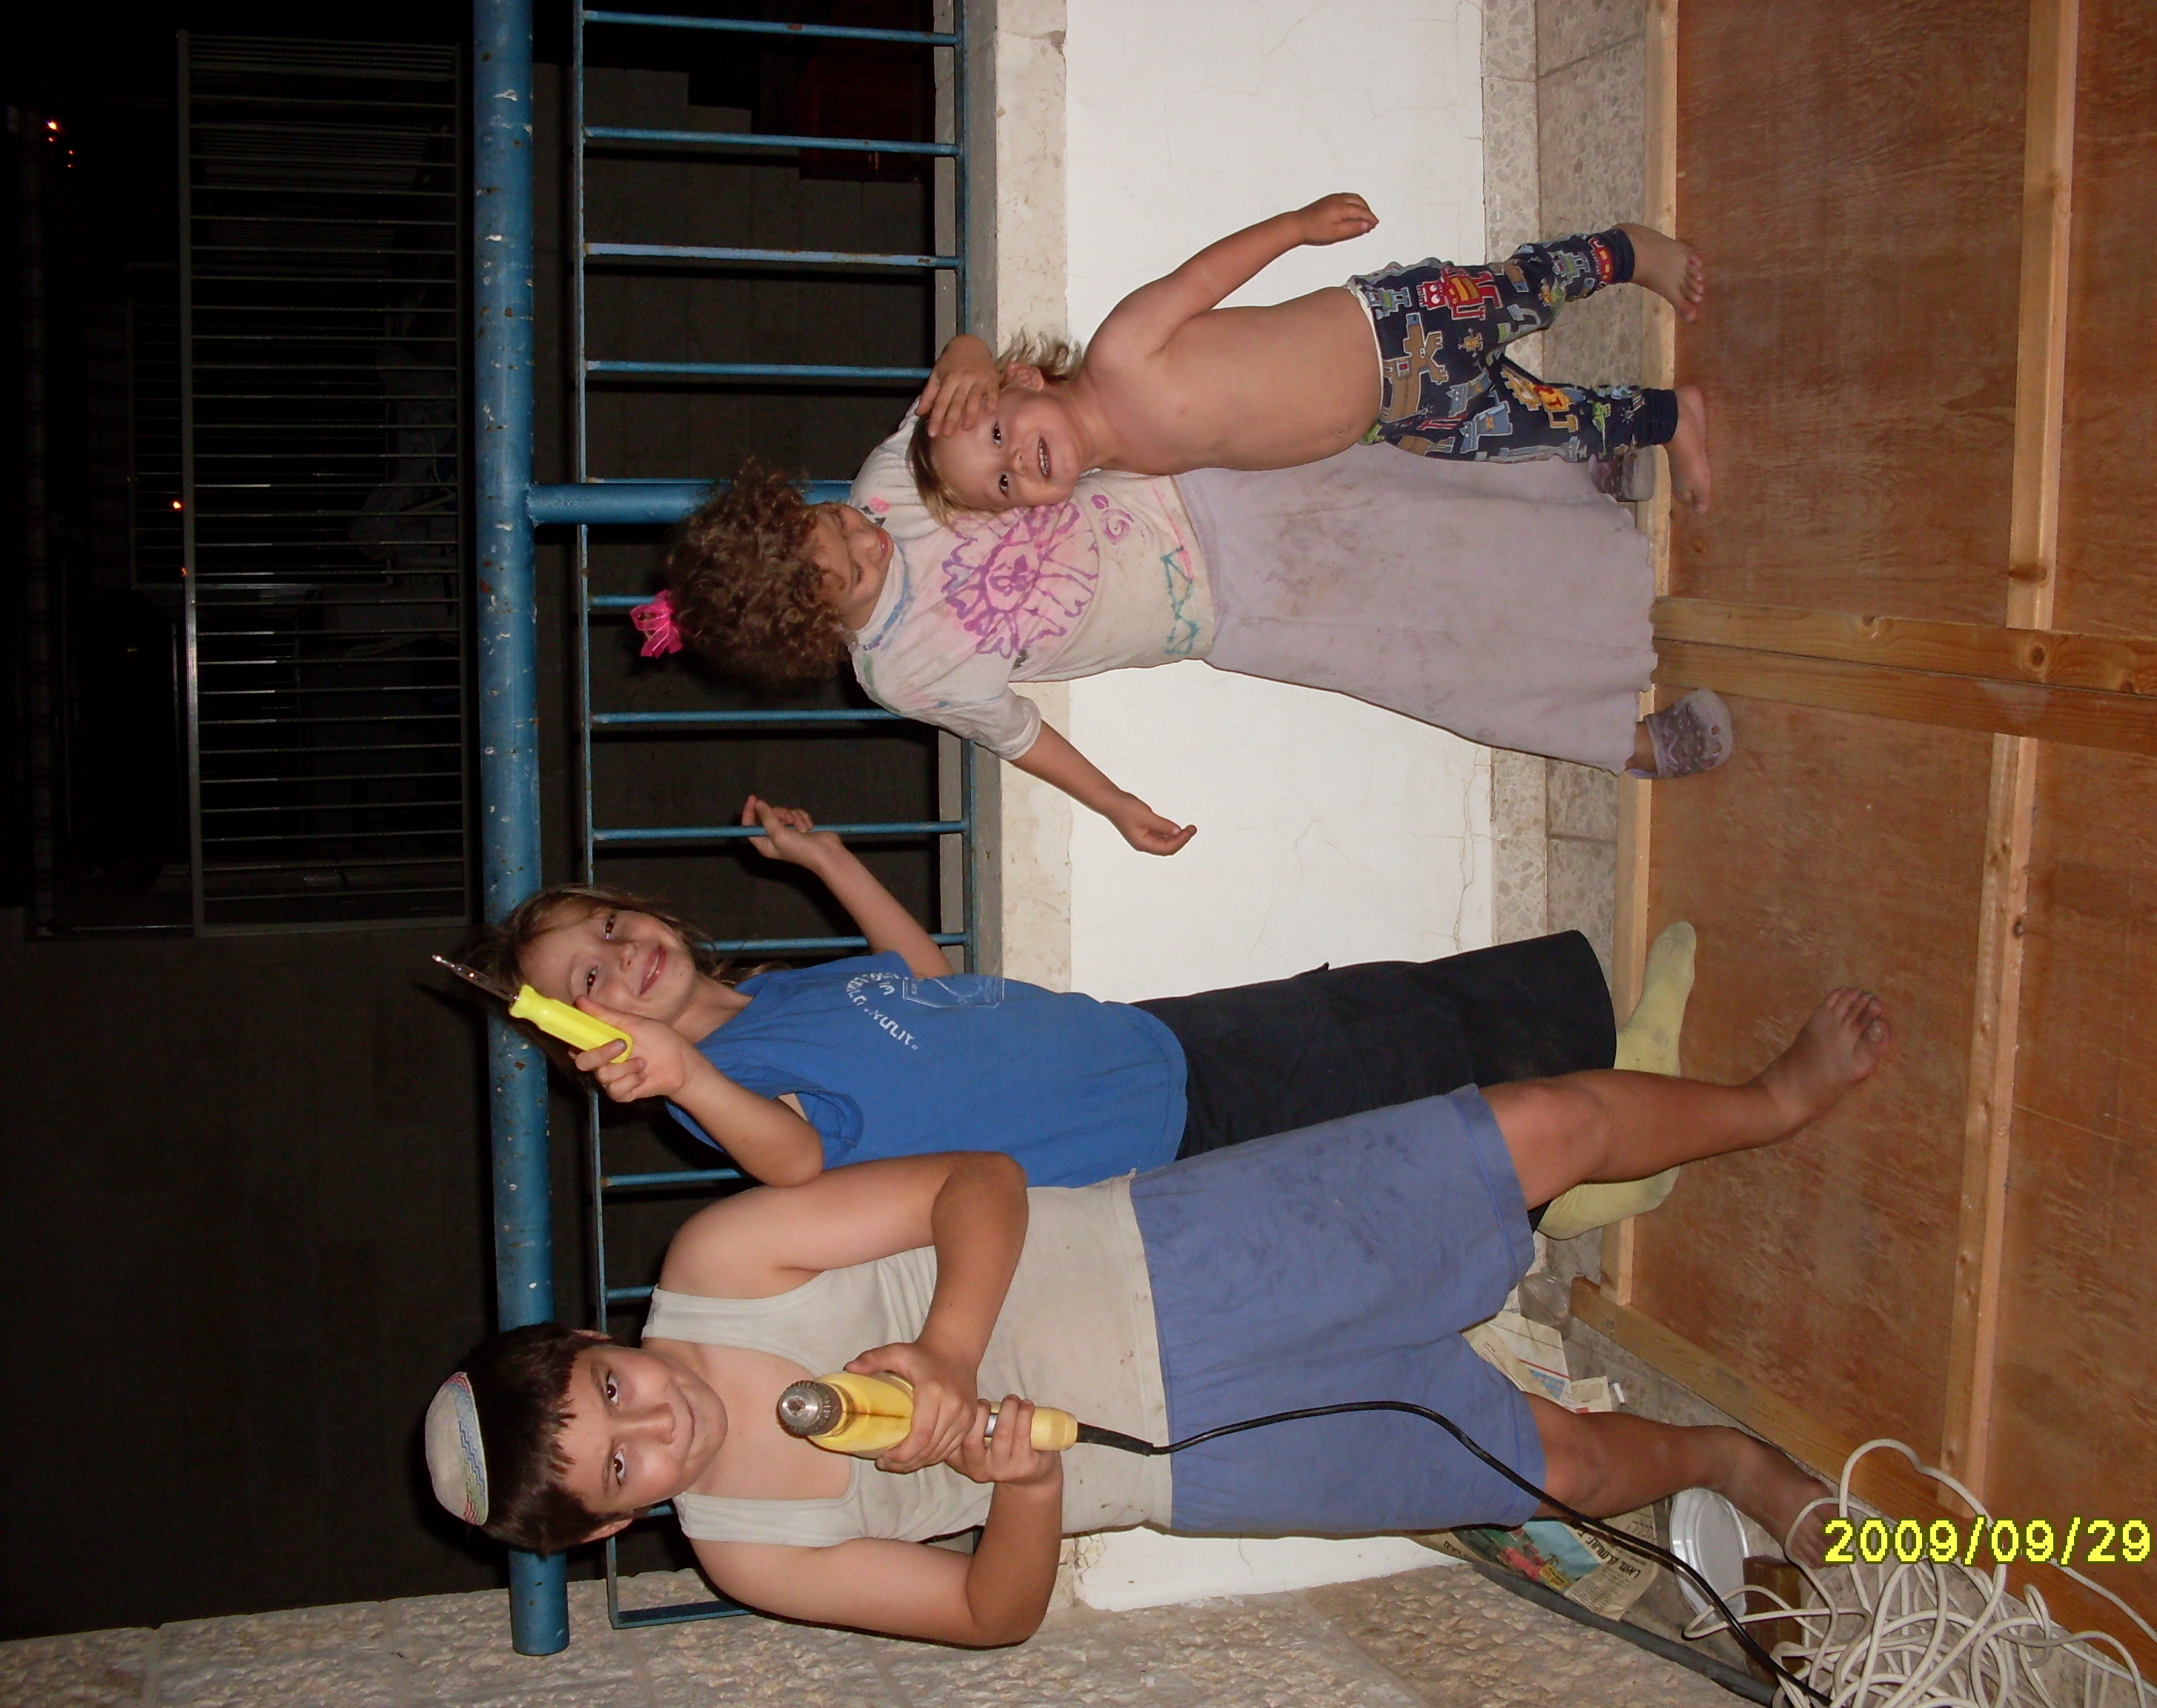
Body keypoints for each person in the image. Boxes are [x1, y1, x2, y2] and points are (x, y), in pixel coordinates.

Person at [424, 987, 1891, 1647]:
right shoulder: (752, 1553)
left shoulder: (722, 1260)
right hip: (1202, 1457)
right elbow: (991, 1616)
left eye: (606, 1390)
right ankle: (1725, 1462)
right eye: (618, 1464)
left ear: (594, 1341)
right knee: (1559, 1465)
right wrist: (1022, 1480)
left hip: (1179, 1250)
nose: (650, 1421)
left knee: (1541, 1126)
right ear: (619, 1522)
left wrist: (947, 1346)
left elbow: (979, 1183)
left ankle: (1767, 1103)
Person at [646, 376, 1726, 860]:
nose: (872, 538)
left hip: (1198, 486)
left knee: (1397, 472)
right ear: (816, 631)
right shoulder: (904, 672)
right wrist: (1117, 804)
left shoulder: (889, 478)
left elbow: (973, 385)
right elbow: (1019, 735)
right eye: (849, 570)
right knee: (1420, 653)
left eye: (835, 522)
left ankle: (1574, 467)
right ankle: (1618, 738)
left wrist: (967, 358)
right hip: (1226, 610)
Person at [460, 796, 1617, 1188]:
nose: (623, 954)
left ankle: (1589, 1060)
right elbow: (797, 1161)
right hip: (1156, 1132)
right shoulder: (718, 1085)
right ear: (586, 1034)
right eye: (590, 979)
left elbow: (927, 980)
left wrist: (833, 864)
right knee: (1386, 1082)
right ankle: (1604, 1077)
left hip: (1144, 1040)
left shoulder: (769, 995)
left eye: (609, 926)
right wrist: (684, 1076)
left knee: (1369, 1008)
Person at [909, 203, 1710, 516]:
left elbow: (1203, 278)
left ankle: (1623, 252)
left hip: (1398, 327)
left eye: (997, 436)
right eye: (1004, 485)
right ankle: (1668, 419)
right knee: (1541, 430)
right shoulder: (1120, 471)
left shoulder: (1118, 353)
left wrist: (1297, 227)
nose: (1017, 462)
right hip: (1399, 420)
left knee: (1527, 289)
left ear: (1023, 380)